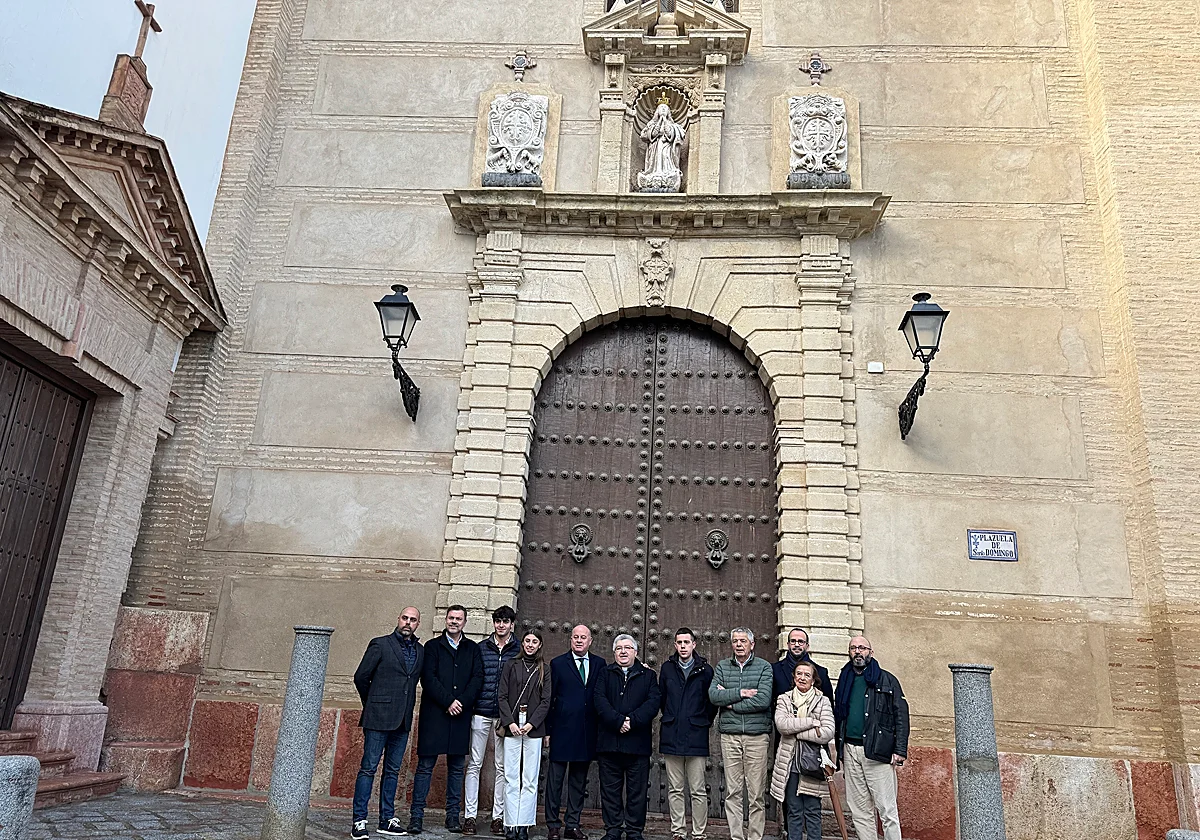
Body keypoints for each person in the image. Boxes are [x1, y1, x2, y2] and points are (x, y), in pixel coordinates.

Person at [406, 606, 484, 836]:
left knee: (457, 768)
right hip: (435, 714)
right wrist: (449, 701)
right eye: (451, 618)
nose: (454, 622)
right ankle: (416, 817)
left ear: (465, 622)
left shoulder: (472, 649)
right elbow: (427, 678)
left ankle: (452, 816)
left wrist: (462, 702)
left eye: (459, 619)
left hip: (461, 715)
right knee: (425, 767)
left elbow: (477, 678)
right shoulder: (432, 647)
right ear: (446, 620)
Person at [351, 607, 424, 840]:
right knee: (368, 768)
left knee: (392, 771)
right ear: (398, 619)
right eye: (405, 618)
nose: (408, 623)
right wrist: (372, 702)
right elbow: (361, 677)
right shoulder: (380, 644)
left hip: (402, 720)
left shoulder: (420, 651)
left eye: (413, 620)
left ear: (417, 624)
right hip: (378, 718)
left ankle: (386, 819)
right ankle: (359, 820)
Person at [833, 635, 909, 840]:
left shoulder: (887, 679)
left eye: (862, 648)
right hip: (850, 750)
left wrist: (900, 750)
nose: (858, 652)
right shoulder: (844, 679)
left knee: (887, 810)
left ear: (871, 652)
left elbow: (901, 715)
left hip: (878, 752)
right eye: (853, 648)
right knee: (859, 810)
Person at [708, 628, 774, 840]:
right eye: (735, 641)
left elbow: (763, 700)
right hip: (730, 736)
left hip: (756, 737)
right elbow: (714, 696)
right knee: (733, 792)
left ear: (752, 644)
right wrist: (741, 693)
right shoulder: (723, 667)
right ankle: (737, 837)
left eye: (743, 641)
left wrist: (730, 703)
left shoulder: (764, 667)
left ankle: (755, 837)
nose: (738, 644)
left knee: (756, 794)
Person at [593, 634, 661, 840]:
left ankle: (633, 831)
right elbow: (599, 700)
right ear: (614, 652)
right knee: (610, 791)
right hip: (609, 743)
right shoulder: (605, 673)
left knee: (637, 793)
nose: (623, 651)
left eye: (628, 648)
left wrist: (631, 720)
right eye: (619, 648)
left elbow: (653, 702)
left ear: (635, 652)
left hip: (637, 745)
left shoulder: (648, 676)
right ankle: (612, 829)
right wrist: (618, 721)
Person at [544, 625, 605, 840]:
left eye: (583, 638)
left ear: (590, 641)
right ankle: (553, 825)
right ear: (570, 640)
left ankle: (572, 824)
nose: (579, 641)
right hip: (562, 730)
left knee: (578, 782)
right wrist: (548, 730)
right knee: (555, 782)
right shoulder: (558, 664)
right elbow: (550, 700)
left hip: (586, 732)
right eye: (575, 637)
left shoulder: (599, 664)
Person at [464, 606, 519, 836]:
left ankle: (498, 817)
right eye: (498, 621)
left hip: (504, 717)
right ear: (494, 623)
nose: (501, 625)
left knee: (501, 767)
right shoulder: (481, 648)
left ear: (512, 625)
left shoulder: (517, 650)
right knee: (474, 764)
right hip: (481, 712)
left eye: (505, 622)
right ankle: (469, 816)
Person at [658, 627, 717, 840]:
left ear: (694, 644)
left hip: (696, 734)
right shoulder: (667, 669)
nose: (683, 646)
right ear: (675, 645)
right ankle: (678, 831)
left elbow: (712, 703)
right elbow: (662, 698)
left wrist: (701, 721)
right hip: (672, 732)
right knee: (675, 788)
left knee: (698, 789)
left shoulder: (705, 670)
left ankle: (699, 833)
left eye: (686, 642)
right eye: (679, 642)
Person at [770, 661, 835, 840]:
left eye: (807, 675)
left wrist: (796, 731)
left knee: (813, 811)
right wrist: (811, 722)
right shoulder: (785, 698)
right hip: (789, 764)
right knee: (794, 810)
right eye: (799, 674)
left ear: (813, 680)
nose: (802, 678)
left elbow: (827, 732)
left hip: (813, 764)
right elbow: (782, 725)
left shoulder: (823, 701)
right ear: (794, 677)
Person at [497, 630, 552, 840]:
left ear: (539, 645)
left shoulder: (544, 670)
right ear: (523, 643)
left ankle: (524, 824)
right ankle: (510, 822)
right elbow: (501, 696)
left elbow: (546, 700)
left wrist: (531, 724)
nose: (530, 644)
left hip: (533, 727)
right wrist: (509, 723)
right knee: (511, 776)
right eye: (527, 641)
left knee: (529, 777)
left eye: (534, 641)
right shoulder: (511, 665)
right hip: (512, 726)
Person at [771, 628, 833, 703]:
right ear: (788, 645)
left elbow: (828, 705)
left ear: (807, 646)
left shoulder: (821, 672)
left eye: (801, 642)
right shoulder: (775, 669)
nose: (796, 645)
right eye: (793, 641)